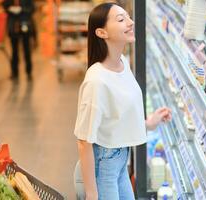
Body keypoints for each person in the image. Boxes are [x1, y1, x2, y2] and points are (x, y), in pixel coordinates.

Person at [73, 3, 172, 200]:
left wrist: (148, 124)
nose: (131, 22)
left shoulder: (122, 63)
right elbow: (84, 141)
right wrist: (92, 195)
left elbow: (116, 119)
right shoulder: (96, 81)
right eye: (121, 19)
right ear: (101, 32)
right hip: (105, 165)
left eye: (128, 17)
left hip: (120, 159)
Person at [4, 0, 37, 81]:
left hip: (25, 23)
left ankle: (29, 72)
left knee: (27, 49)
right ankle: (14, 72)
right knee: (14, 50)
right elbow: (5, 6)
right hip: (13, 25)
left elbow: (32, 8)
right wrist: (10, 9)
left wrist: (22, 10)